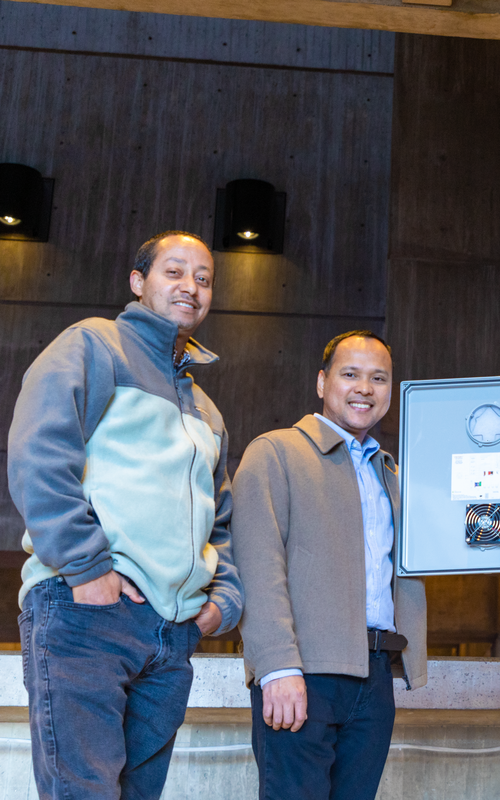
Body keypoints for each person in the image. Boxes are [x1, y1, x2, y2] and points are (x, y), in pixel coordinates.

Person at [10, 230, 243, 799]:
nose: (191, 285)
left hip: (172, 633)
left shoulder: (206, 410)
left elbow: (223, 521)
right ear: (138, 283)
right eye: (175, 271)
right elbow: (39, 453)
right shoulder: (94, 344)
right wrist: (88, 570)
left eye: (204, 278)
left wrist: (223, 602)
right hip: (88, 613)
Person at [232, 330, 428, 800]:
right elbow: (258, 564)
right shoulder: (275, 452)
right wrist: (277, 668)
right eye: (350, 374)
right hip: (303, 673)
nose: (365, 388)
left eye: (379, 378)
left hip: (375, 673)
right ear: (322, 383)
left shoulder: (394, 474)